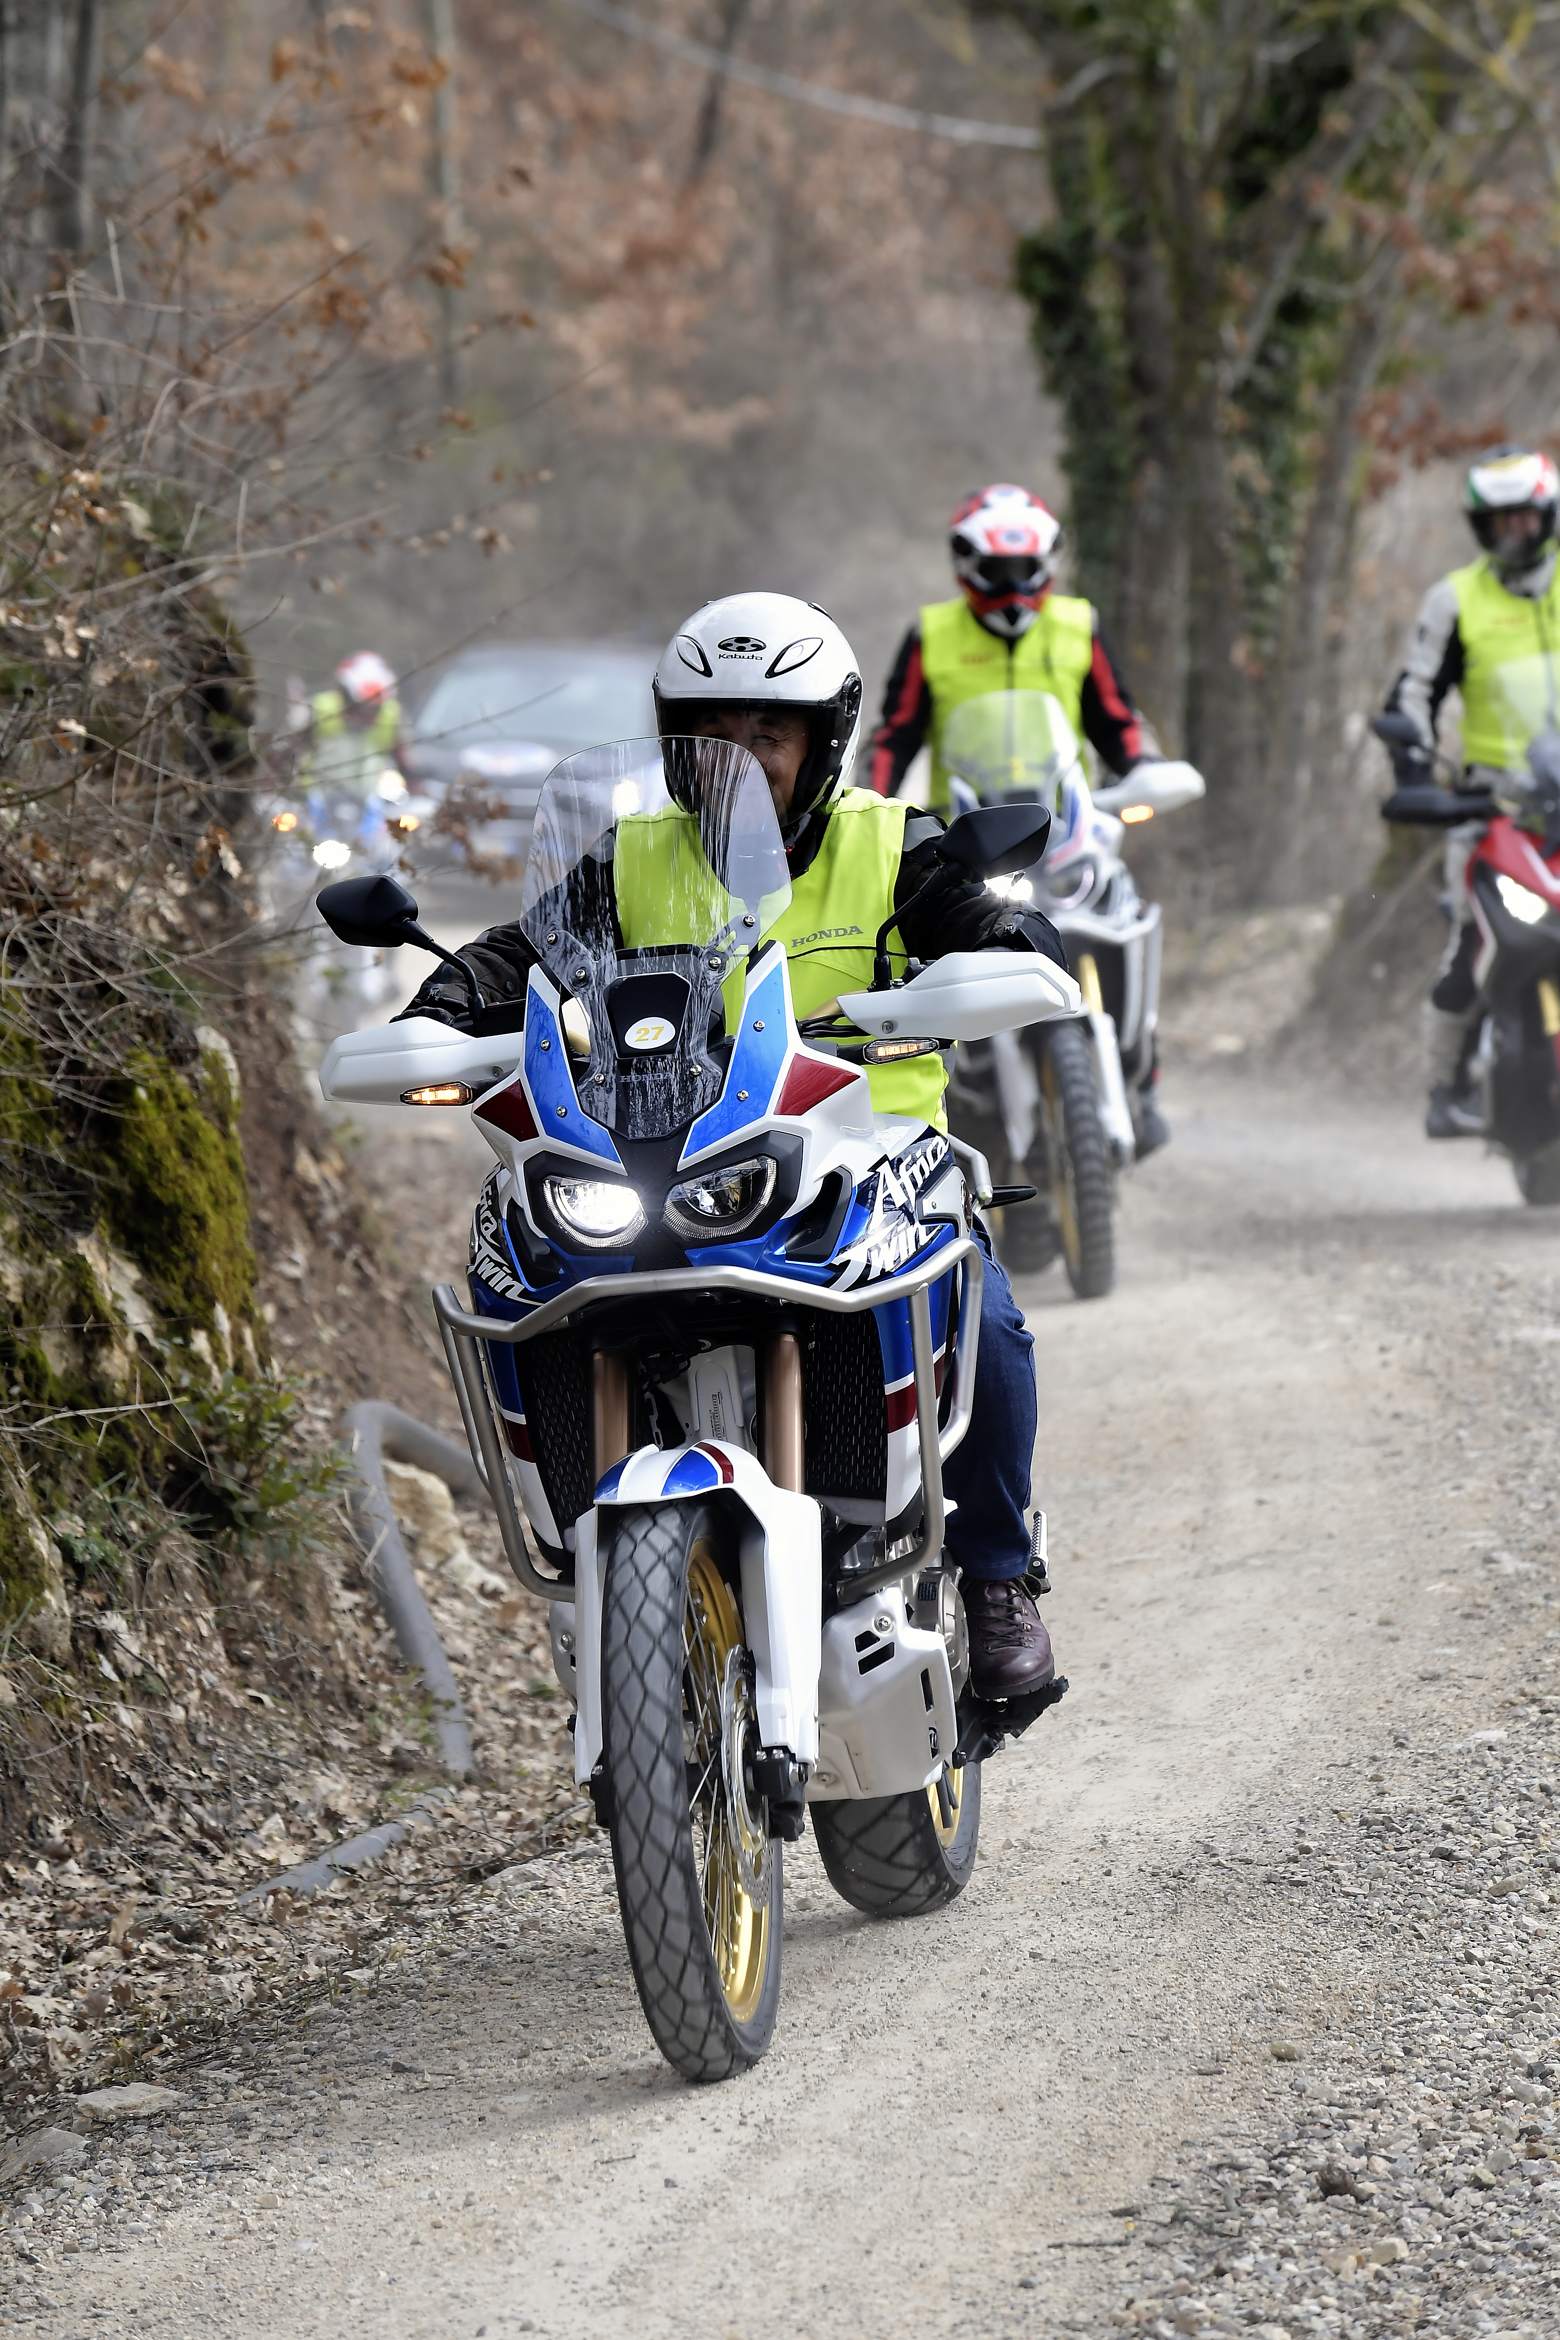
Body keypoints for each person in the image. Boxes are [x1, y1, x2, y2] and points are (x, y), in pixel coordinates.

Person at [399, 591, 1068, 1702]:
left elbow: (986, 914)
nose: (741, 756)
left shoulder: (893, 845)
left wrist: (1003, 942)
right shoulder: (633, 855)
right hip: (672, 1154)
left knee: (984, 1314)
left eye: (769, 732)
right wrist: (447, 1000)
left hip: (872, 1155)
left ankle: (999, 1577)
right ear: (674, 740)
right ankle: (592, 1545)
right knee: (523, 1267)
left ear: (824, 742)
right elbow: (527, 949)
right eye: (712, 730)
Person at [869, 482, 1169, 1155]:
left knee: (1126, 910)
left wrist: (1145, 768)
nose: (1013, 585)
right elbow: (895, 735)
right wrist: (875, 805)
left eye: (1025, 568)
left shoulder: (1078, 626)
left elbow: (1117, 720)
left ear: (1049, 563)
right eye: (998, 570)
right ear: (966, 563)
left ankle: (1143, 1070)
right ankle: (955, 1091)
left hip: (1067, 828)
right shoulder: (931, 635)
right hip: (969, 838)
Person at [1381, 445, 1560, 1137]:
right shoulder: (1455, 600)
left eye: (1525, 518)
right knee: (1469, 939)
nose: (1514, 532)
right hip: (1496, 810)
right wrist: (1414, 772)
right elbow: (1414, 695)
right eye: (1500, 521)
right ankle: (1444, 1083)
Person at [297, 652, 405, 802]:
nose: (368, 715)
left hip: (369, 801)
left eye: (375, 709)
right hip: (313, 797)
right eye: (362, 707)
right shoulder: (320, 709)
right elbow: (292, 751)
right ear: (346, 696)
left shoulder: (391, 716)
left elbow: (404, 761)